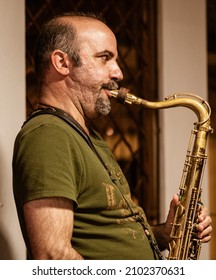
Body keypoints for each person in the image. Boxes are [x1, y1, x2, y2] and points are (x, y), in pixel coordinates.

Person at [12, 12, 212, 260]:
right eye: (104, 58)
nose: (118, 73)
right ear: (62, 63)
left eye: (115, 60)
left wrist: (165, 233)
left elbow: (107, 233)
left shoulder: (88, 136)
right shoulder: (48, 135)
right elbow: (54, 257)